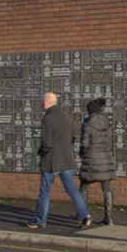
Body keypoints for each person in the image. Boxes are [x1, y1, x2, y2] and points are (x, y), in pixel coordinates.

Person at [27, 91, 92, 230]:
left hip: (50, 162)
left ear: (46, 102)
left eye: (42, 101)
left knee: (45, 192)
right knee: (73, 191)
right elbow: (74, 135)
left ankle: (40, 221)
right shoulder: (67, 116)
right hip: (66, 160)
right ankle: (85, 215)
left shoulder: (48, 118)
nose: (41, 103)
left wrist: (41, 152)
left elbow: (47, 143)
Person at [79, 97, 116, 226]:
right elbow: (111, 143)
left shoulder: (88, 124)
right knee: (107, 189)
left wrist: (81, 154)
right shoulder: (108, 123)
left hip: (91, 160)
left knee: (83, 188)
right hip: (106, 160)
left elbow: (84, 144)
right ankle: (109, 218)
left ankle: (84, 217)